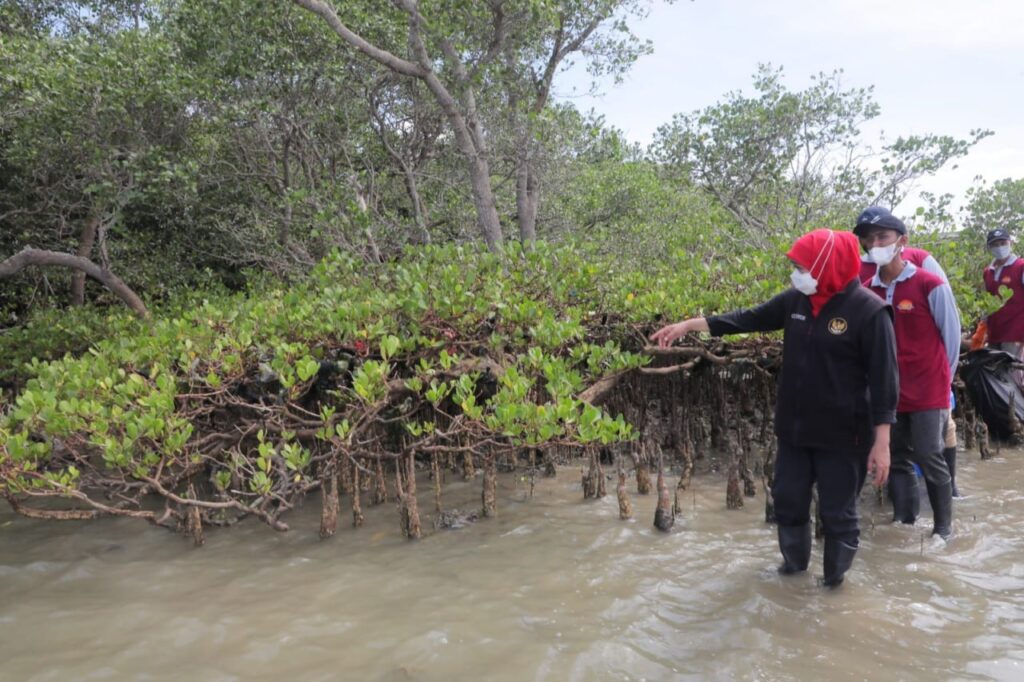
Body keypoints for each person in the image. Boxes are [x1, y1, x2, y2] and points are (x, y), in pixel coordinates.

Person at [650, 229, 897, 588]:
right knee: (789, 503)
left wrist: (882, 442)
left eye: (802, 266)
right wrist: (689, 325)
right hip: (794, 430)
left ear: (827, 264)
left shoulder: (870, 312)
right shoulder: (796, 300)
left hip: (845, 435)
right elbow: (746, 318)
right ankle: (792, 576)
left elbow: (886, 382)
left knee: (838, 514)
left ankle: (833, 588)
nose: (797, 273)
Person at [855, 210, 960, 540]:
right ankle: (905, 521)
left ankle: (943, 530)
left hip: (929, 388)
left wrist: (944, 385)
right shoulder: (866, 288)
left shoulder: (930, 284)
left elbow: (952, 338)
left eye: (882, 237)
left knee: (930, 454)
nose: (875, 244)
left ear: (903, 241)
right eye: (869, 239)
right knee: (897, 456)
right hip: (889, 390)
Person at [982, 227, 1024, 374]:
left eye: (1002, 242)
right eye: (995, 244)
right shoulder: (988, 271)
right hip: (995, 333)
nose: (999, 247)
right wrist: (981, 329)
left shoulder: (1021, 267)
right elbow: (986, 302)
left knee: (1012, 375)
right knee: (996, 377)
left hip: (1015, 333)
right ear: (989, 248)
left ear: (1010, 242)